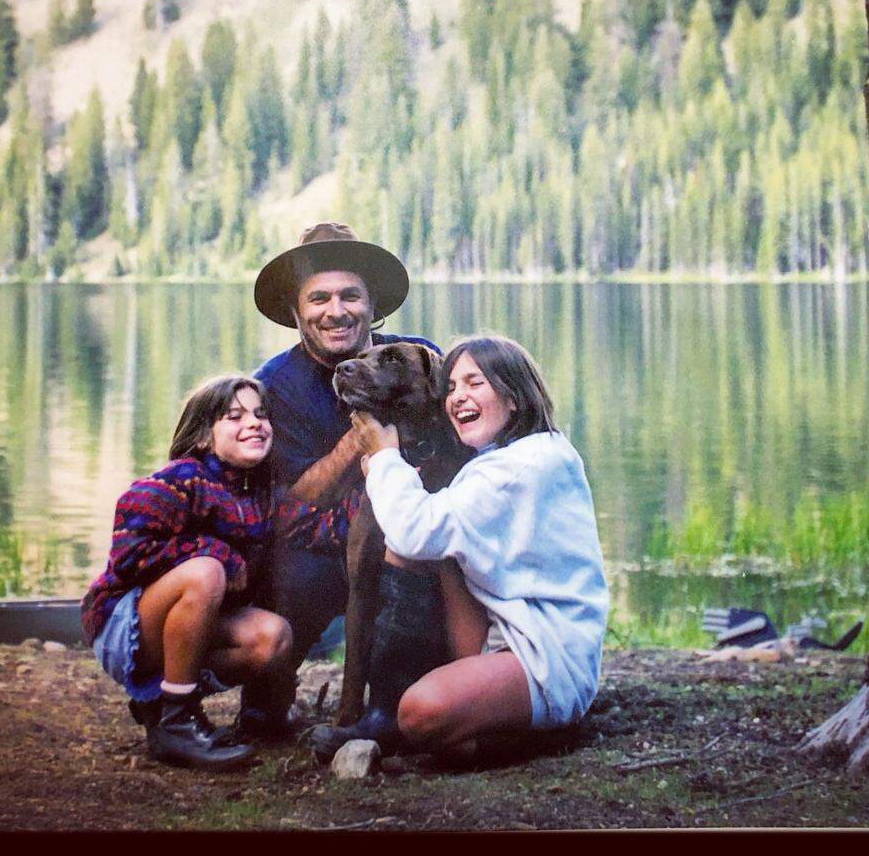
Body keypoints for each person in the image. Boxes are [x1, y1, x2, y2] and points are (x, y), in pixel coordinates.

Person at [314, 334, 608, 762]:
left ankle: (533, 730)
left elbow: (414, 529)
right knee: (417, 552)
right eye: (450, 387)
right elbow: (417, 538)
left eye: (475, 383)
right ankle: (385, 713)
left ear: (514, 396)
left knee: (422, 713)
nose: (457, 397)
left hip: (544, 656)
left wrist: (383, 456)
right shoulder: (502, 457)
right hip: (501, 630)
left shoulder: (521, 466)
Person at [236, 221, 440, 739]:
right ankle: (266, 700)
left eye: (350, 295)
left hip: (418, 520)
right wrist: (362, 437)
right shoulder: (274, 386)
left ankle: (433, 697)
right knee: (291, 572)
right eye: (319, 298)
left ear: (373, 305)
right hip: (318, 540)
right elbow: (300, 498)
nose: (336, 310)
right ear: (296, 312)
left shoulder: (417, 358)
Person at [80, 376, 292, 770]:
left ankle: (163, 706)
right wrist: (216, 552)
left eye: (260, 415)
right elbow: (127, 554)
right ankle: (178, 721)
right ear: (203, 436)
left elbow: (310, 526)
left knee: (272, 638)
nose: (254, 423)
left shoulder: (261, 493)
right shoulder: (181, 479)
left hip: (189, 622)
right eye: (234, 416)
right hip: (123, 624)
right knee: (206, 572)